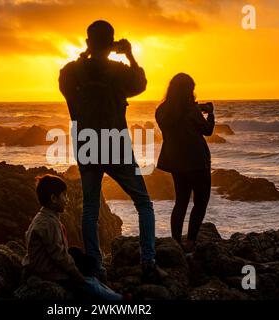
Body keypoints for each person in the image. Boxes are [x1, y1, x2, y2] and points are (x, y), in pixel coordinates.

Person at [59, 20, 166, 283]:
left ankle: (96, 267)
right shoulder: (119, 72)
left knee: (90, 209)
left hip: (85, 140)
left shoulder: (71, 71)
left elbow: (66, 89)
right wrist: (129, 54)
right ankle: (148, 262)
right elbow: (140, 84)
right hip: (114, 140)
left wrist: (86, 55)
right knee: (143, 202)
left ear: (87, 42)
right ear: (111, 43)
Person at [22, 174, 126, 300]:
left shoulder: (45, 218)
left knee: (83, 264)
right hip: (47, 273)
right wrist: (76, 274)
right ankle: (119, 299)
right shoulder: (48, 223)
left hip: (43, 267)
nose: (67, 200)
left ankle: (114, 294)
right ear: (54, 198)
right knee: (88, 282)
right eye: (64, 195)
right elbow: (60, 257)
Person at [155, 73, 215, 253]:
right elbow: (207, 131)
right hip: (197, 161)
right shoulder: (191, 110)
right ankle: (190, 241)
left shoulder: (162, 110)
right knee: (200, 201)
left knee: (181, 202)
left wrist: (196, 109)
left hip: (176, 161)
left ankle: (175, 241)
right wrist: (210, 114)